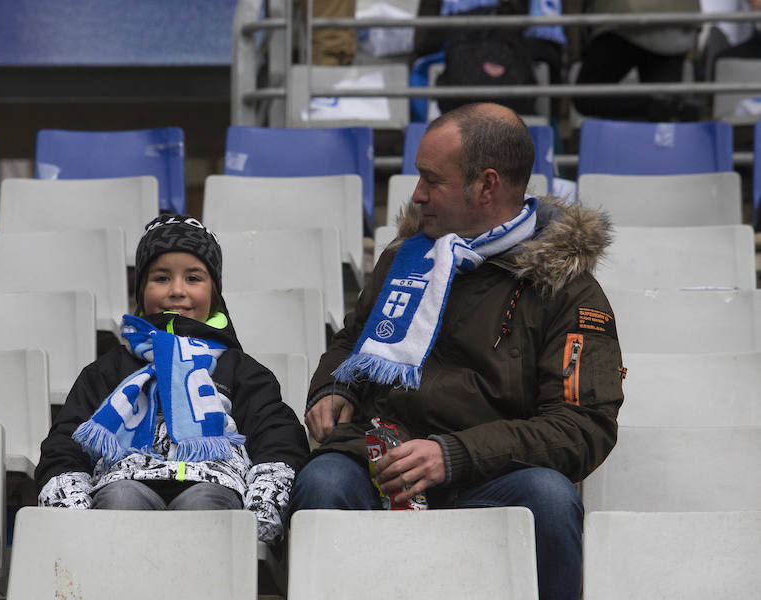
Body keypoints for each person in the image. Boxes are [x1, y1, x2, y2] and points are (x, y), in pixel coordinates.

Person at [289, 103, 624, 600]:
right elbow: (350, 340)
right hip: (380, 462)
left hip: (494, 476)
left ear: (487, 186)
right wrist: (333, 389)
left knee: (550, 500)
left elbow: (582, 427)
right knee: (321, 485)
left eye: (431, 180)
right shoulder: (403, 259)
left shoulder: (569, 291)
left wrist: (455, 455)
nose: (417, 196)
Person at [35, 214, 310, 544]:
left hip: (214, 486)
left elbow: (277, 437)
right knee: (120, 500)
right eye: (162, 278)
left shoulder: (240, 369)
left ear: (214, 292)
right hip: (123, 482)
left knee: (205, 505)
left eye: (193, 278)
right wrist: (73, 511)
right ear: (141, 290)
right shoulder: (108, 369)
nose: (177, 291)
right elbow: (66, 442)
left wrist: (263, 505)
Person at [573, 0, 702, 121]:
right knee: (660, 115)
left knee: (586, 95)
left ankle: (658, 103)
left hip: (625, 17)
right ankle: (670, 105)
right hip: (680, 20)